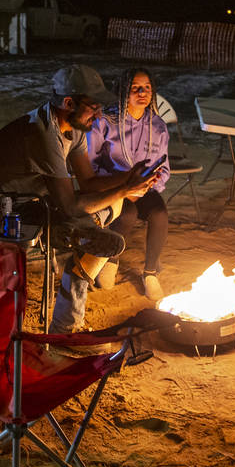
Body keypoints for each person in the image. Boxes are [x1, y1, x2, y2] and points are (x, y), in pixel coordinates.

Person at [0, 64, 161, 334]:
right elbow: (70, 205)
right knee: (107, 234)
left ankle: (83, 239)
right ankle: (67, 323)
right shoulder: (42, 133)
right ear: (68, 102)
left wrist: (128, 177)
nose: (99, 113)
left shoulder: (74, 126)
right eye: (94, 106)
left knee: (114, 205)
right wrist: (125, 189)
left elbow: (88, 182)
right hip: (12, 210)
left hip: (41, 198)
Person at [86, 67, 171, 300]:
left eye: (147, 88)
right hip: (111, 187)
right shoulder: (106, 121)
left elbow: (164, 167)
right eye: (135, 87)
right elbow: (90, 163)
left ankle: (150, 273)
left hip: (144, 188)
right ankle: (110, 261)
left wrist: (150, 184)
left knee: (159, 214)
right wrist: (123, 188)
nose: (142, 93)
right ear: (124, 90)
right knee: (127, 214)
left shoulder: (157, 126)